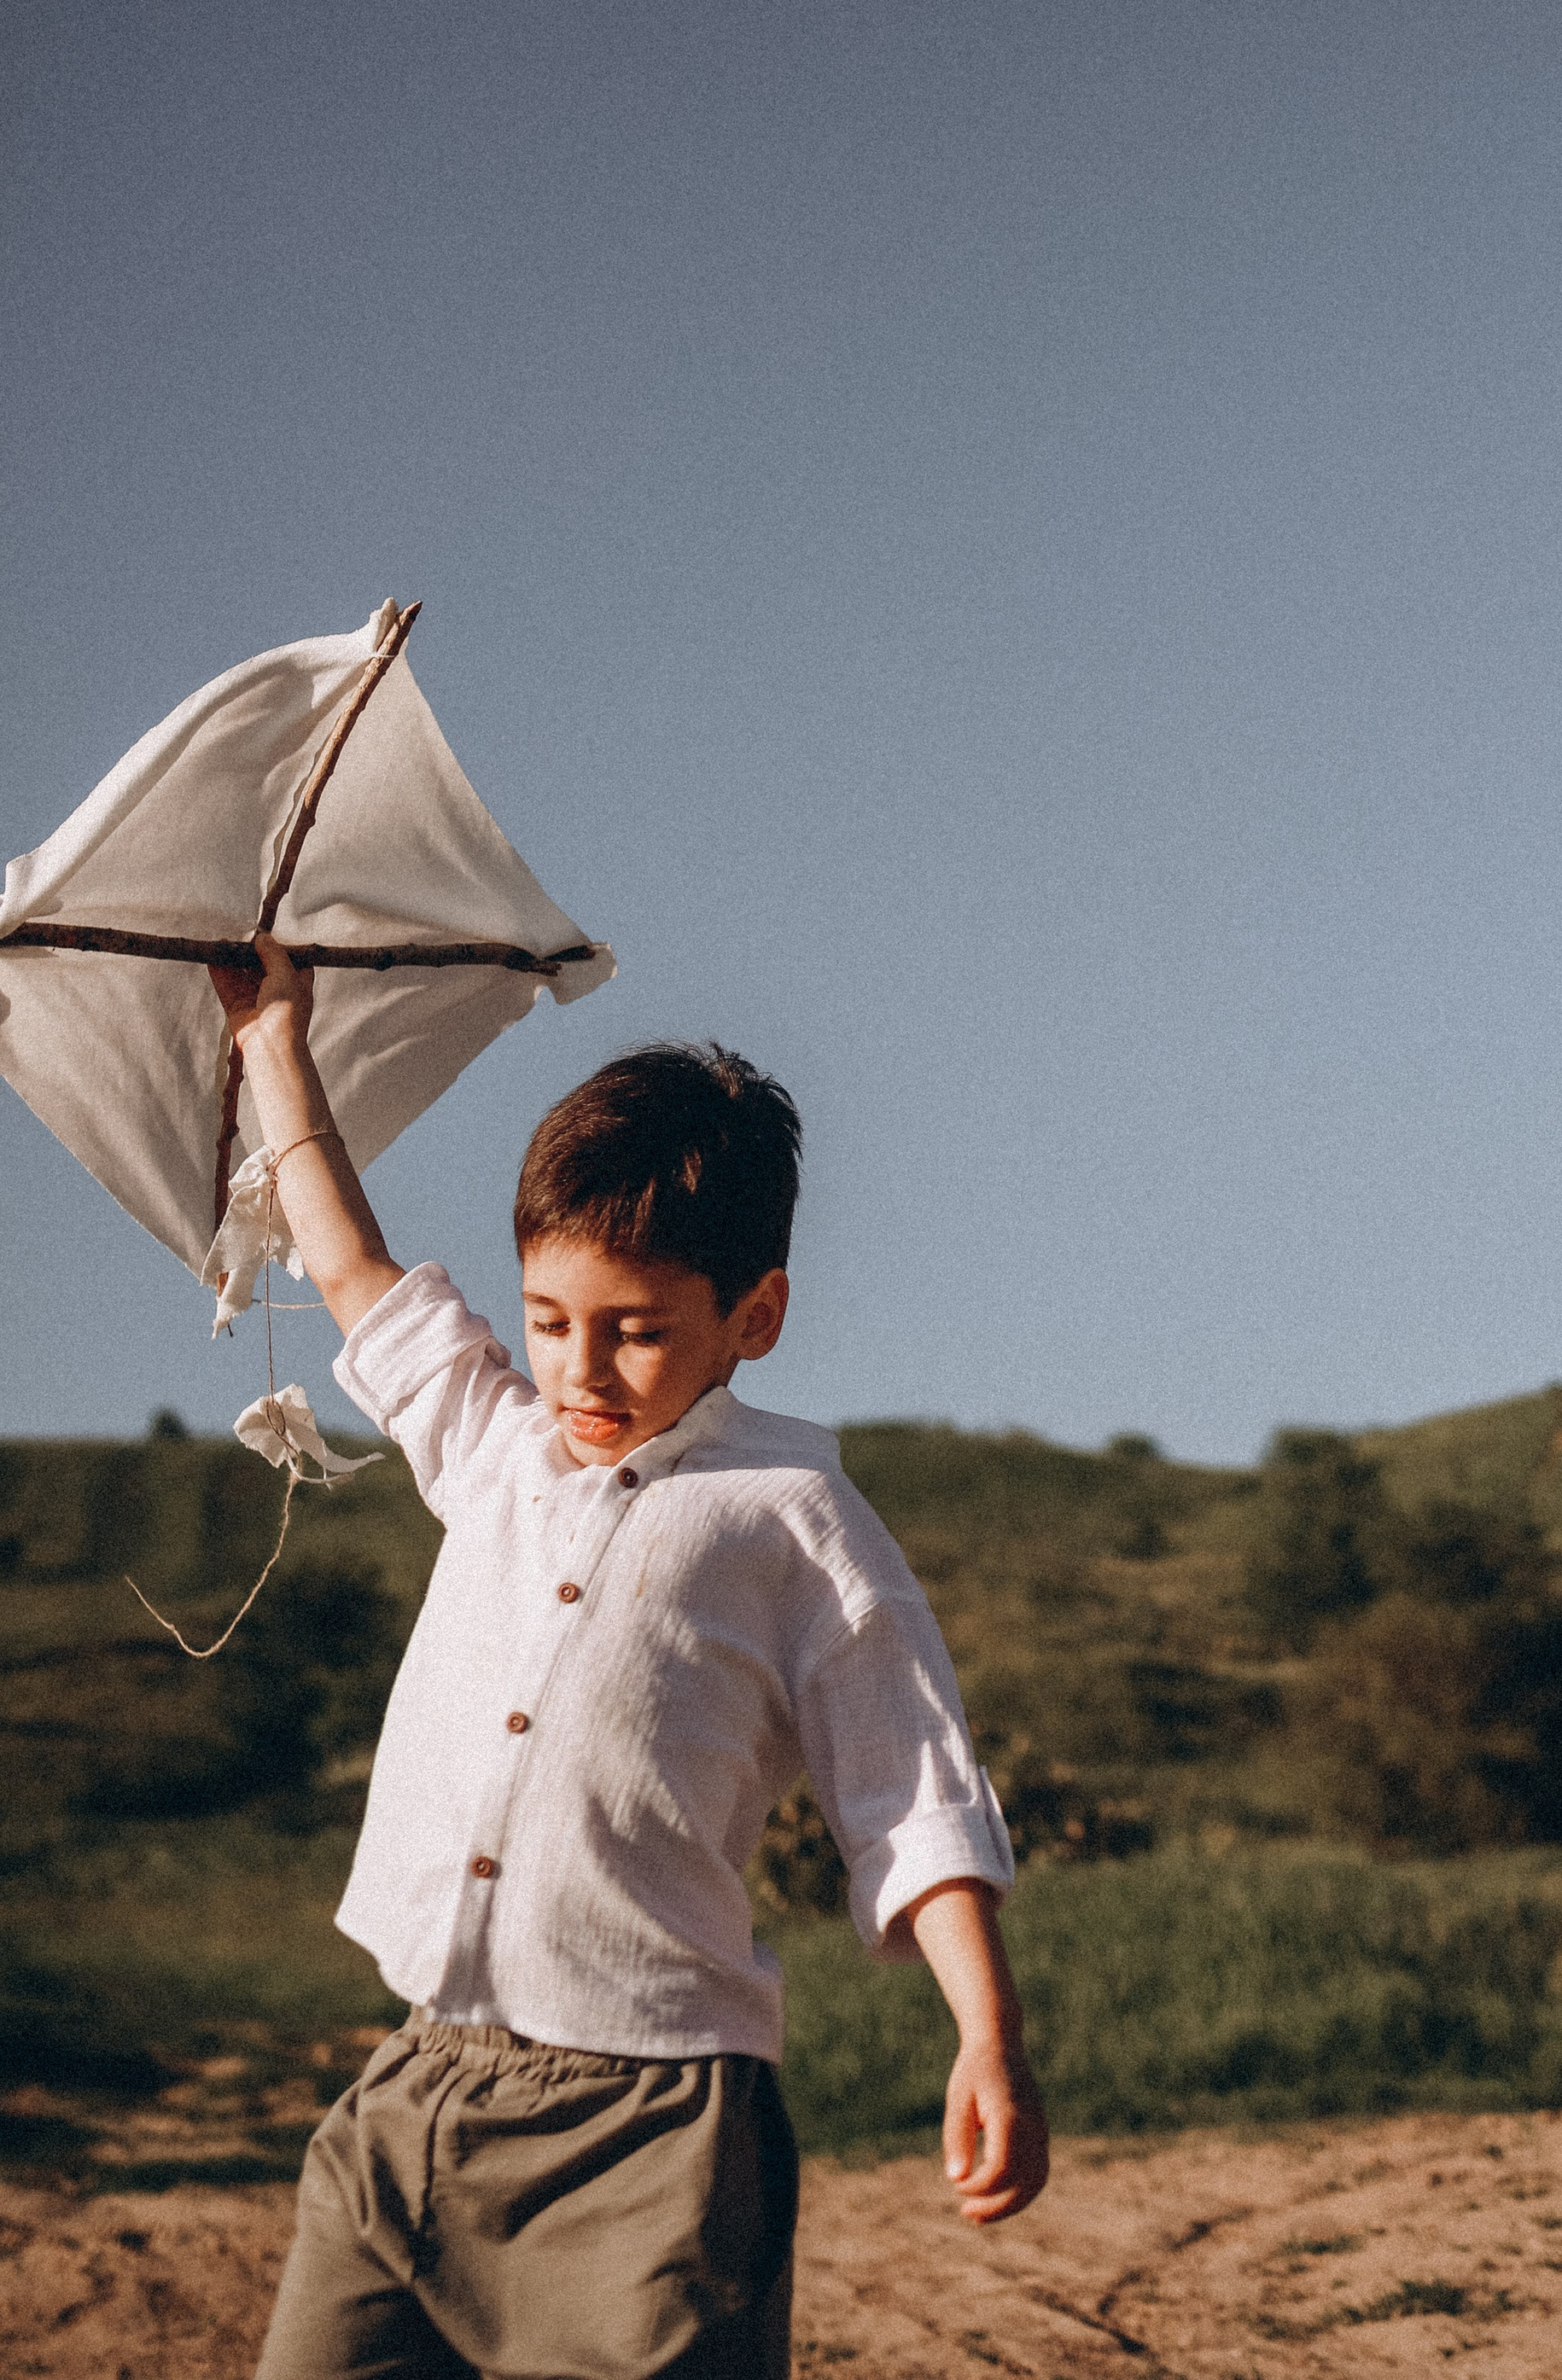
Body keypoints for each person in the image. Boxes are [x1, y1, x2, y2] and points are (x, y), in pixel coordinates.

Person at [217, 936, 1046, 2380]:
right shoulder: (495, 1451)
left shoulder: (792, 1521)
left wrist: (987, 2035)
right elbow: (346, 1262)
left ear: (754, 1318)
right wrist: (274, 1040)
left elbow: (910, 1792)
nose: (582, 1374)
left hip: (653, 2138)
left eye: (636, 1333)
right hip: (412, 2093)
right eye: (548, 1323)